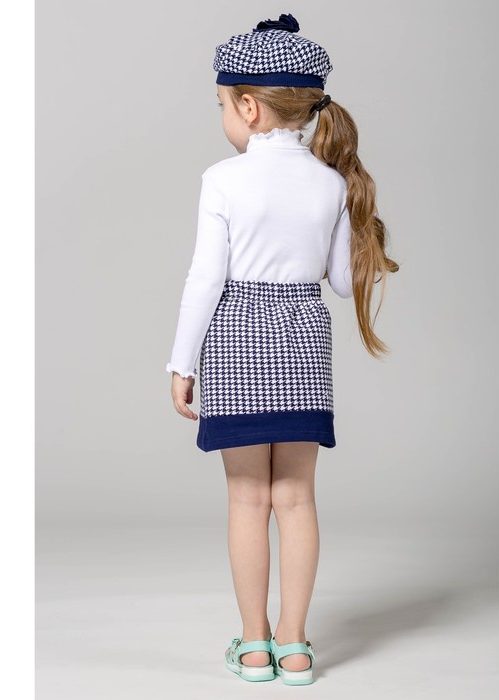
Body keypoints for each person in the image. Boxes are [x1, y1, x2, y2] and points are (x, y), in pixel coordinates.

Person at [165, 13, 399, 685]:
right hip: (303, 341)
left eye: (221, 103)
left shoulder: (223, 179)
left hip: (236, 337)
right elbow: (337, 280)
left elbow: (206, 278)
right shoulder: (331, 183)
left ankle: (254, 644)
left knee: (247, 498)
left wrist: (181, 362)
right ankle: (296, 647)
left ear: (249, 106)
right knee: (295, 497)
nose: (223, 116)